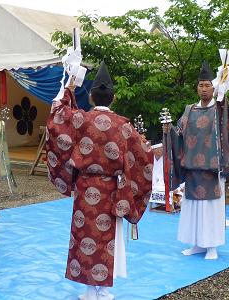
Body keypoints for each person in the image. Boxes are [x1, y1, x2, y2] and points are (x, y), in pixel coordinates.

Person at [46, 61, 153, 300]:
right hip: (112, 189)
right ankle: (103, 291)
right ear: (113, 98)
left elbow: (57, 121)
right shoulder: (123, 126)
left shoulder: (80, 119)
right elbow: (143, 156)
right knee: (107, 237)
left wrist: (70, 89)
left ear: (92, 97)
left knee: (85, 234)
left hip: (85, 188)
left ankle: (87, 290)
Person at [163, 61, 229, 259]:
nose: (204, 88)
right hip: (192, 167)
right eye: (201, 85)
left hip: (212, 168)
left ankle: (212, 247)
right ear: (197, 87)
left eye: (208, 85)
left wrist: (223, 96)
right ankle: (197, 244)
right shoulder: (189, 109)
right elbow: (180, 135)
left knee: (211, 210)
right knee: (193, 209)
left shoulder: (219, 108)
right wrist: (169, 131)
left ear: (214, 87)